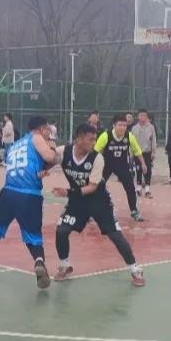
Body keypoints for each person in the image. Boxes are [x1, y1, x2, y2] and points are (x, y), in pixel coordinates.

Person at [0, 116, 58, 288]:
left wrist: (42, 170)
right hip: (28, 195)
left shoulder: (16, 145)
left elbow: (29, 166)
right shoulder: (37, 138)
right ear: (41, 129)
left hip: (8, 193)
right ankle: (39, 261)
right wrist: (53, 147)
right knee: (33, 237)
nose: (49, 133)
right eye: (48, 129)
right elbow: (49, 157)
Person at [53, 123, 145, 286]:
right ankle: (64, 265)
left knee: (114, 234)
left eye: (95, 139)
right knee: (61, 231)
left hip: (99, 201)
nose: (94, 143)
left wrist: (67, 192)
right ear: (79, 139)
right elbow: (49, 157)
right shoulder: (64, 151)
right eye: (91, 139)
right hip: (77, 202)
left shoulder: (97, 158)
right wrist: (43, 169)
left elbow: (92, 187)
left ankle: (135, 268)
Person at [94, 114, 147, 221]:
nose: (122, 128)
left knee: (130, 187)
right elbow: (95, 152)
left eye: (124, 125)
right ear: (114, 125)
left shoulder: (129, 136)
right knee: (96, 186)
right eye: (120, 125)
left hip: (122, 165)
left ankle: (134, 211)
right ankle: (91, 211)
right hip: (106, 165)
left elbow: (137, 150)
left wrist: (143, 163)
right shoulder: (106, 136)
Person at [131, 109, 156, 199]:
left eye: (145, 115)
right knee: (138, 170)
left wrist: (153, 151)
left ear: (147, 117)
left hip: (147, 152)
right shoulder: (134, 128)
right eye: (141, 115)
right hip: (137, 153)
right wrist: (131, 153)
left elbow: (153, 140)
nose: (143, 117)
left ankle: (147, 190)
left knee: (147, 170)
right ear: (138, 117)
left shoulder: (151, 127)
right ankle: (138, 188)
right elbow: (131, 141)